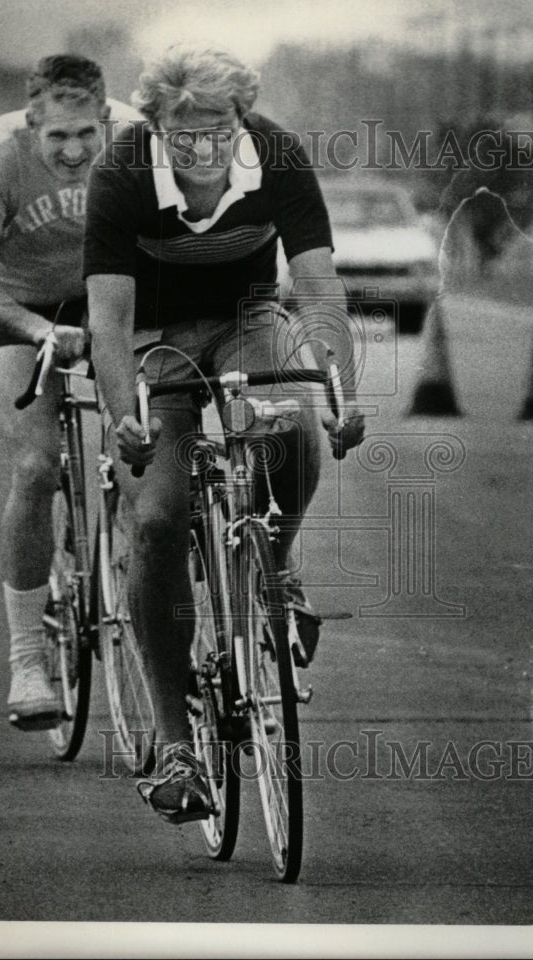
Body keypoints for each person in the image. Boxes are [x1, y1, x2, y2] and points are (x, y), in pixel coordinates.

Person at [84, 42, 365, 823]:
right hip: (153, 333)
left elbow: (315, 284)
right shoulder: (121, 173)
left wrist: (341, 388)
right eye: (182, 131)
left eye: (217, 127)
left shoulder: (275, 154)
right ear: (156, 124)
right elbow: (107, 317)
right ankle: (175, 746)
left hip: (245, 317)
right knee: (157, 521)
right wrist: (121, 415)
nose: (201, 146)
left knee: (294, 428)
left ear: (241, 118)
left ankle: (273, 569)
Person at [0, 55, 138, 730]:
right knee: (34, 469)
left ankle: (144, 576)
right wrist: (38, 330)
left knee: (144, 450)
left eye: (85, 133)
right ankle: (27, 660)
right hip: (19, 308)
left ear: (106, 116)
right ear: (31, 121)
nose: (73, 150)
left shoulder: (138, 145)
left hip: (111, 303)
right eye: (56, 136)